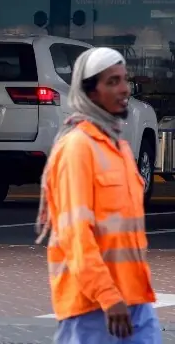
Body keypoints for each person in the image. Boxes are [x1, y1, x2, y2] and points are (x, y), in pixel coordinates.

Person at [35, 47, 160, 343]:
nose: (124, 89)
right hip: (93, 307)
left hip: (135, 301)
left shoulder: (119, 148)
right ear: (89, 92)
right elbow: (75, 234)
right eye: (112, 82)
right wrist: (108, 296)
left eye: (124, 79)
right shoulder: (77, 148)